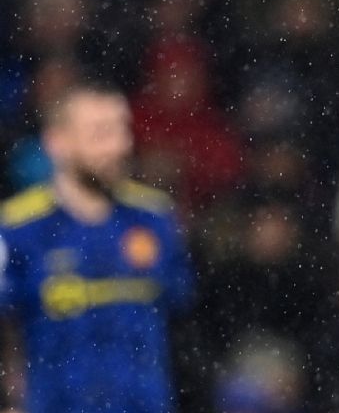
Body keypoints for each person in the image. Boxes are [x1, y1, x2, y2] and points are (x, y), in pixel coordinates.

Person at [0, 83, 194, 413]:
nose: (119, 145)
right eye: (101, 132)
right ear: (57, 142)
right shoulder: (17, 228)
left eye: (122, 129)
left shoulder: (155, 218)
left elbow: (185, 321)